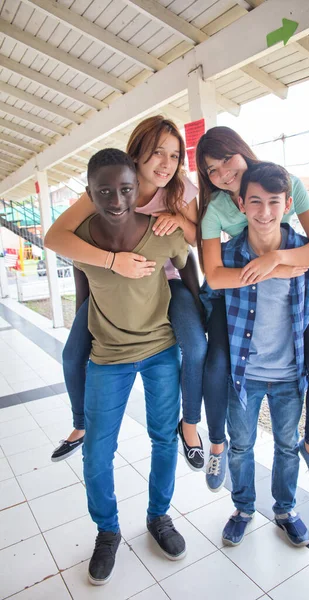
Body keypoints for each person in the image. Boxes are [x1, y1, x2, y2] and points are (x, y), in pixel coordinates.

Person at [45, 116, 207, 472]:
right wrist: (112, 262)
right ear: (137, 154)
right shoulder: (115, 186)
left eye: (175, 155)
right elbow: (55, 238)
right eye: (157, 153)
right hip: (113, 283)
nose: (167, 164)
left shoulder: (181, 190)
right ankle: (80, 425)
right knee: (73, 355)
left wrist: (180, 221)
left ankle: (191, 425)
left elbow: (198, 241)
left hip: (166, 282)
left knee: (195, 346)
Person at [71, 148, 189, 585]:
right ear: (90, 192)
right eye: (104, 190)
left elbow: (188, 268)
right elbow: (84, 289)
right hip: (108, 358)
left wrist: (196, 324)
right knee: (97, 450)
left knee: (163, 437)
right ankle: (107, 530)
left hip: (161, 350)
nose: (116, 199)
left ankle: (159, 517)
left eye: (124, 188)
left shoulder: (162, 232)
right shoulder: (80, 239)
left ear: (137, 188)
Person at [196, 126, 309, 493]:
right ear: (242, 204)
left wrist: (277, 259)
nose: (224, 173)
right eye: (213, 170)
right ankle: (216, 444)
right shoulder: (216, 209)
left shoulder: (285, 183)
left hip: (287, 293)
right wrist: (269, 272)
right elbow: (213, 274)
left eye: (227, 160)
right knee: (214, 364)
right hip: (239, 296)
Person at [217, 163, 309, 547]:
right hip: (245, 375)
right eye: (255, 201)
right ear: (241, 204)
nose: (264, 211)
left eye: (273, 202)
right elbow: (211, 297)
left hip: (289, 374)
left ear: (287, 204)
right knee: (241, 445)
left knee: (287, 445)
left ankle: (285, 509)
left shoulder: (305, 253)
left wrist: (280, 261)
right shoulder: (229, 255)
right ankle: (244, 507)